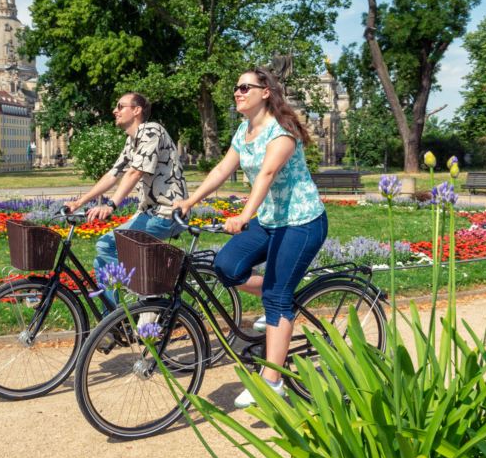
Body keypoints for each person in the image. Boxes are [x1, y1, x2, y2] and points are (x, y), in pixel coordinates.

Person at [172, 67, 327, 408]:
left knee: (276, 297)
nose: (237, 92)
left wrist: (244, 216)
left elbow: (268, 173)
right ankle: (279, 297)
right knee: (227, 266)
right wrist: (190, 200)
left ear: (266, 91)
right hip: (271, 220)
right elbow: (221, 170)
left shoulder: (282, 131)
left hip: (301, 222)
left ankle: (272, 382)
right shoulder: (244, 131)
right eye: (235, 88)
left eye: (245, 87)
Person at [64, 92, 188, 309]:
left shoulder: (152, 130)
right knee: (102, 262)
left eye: (120, 106)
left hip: (167, 213)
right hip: (149, 213)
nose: (115, 110)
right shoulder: (132, 140)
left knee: (105, 244)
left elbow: (135, 173)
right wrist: (79, 203)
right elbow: (113, 174)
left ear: (137, 110)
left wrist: (111, 205)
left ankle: (153, 294)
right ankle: (114, 323)